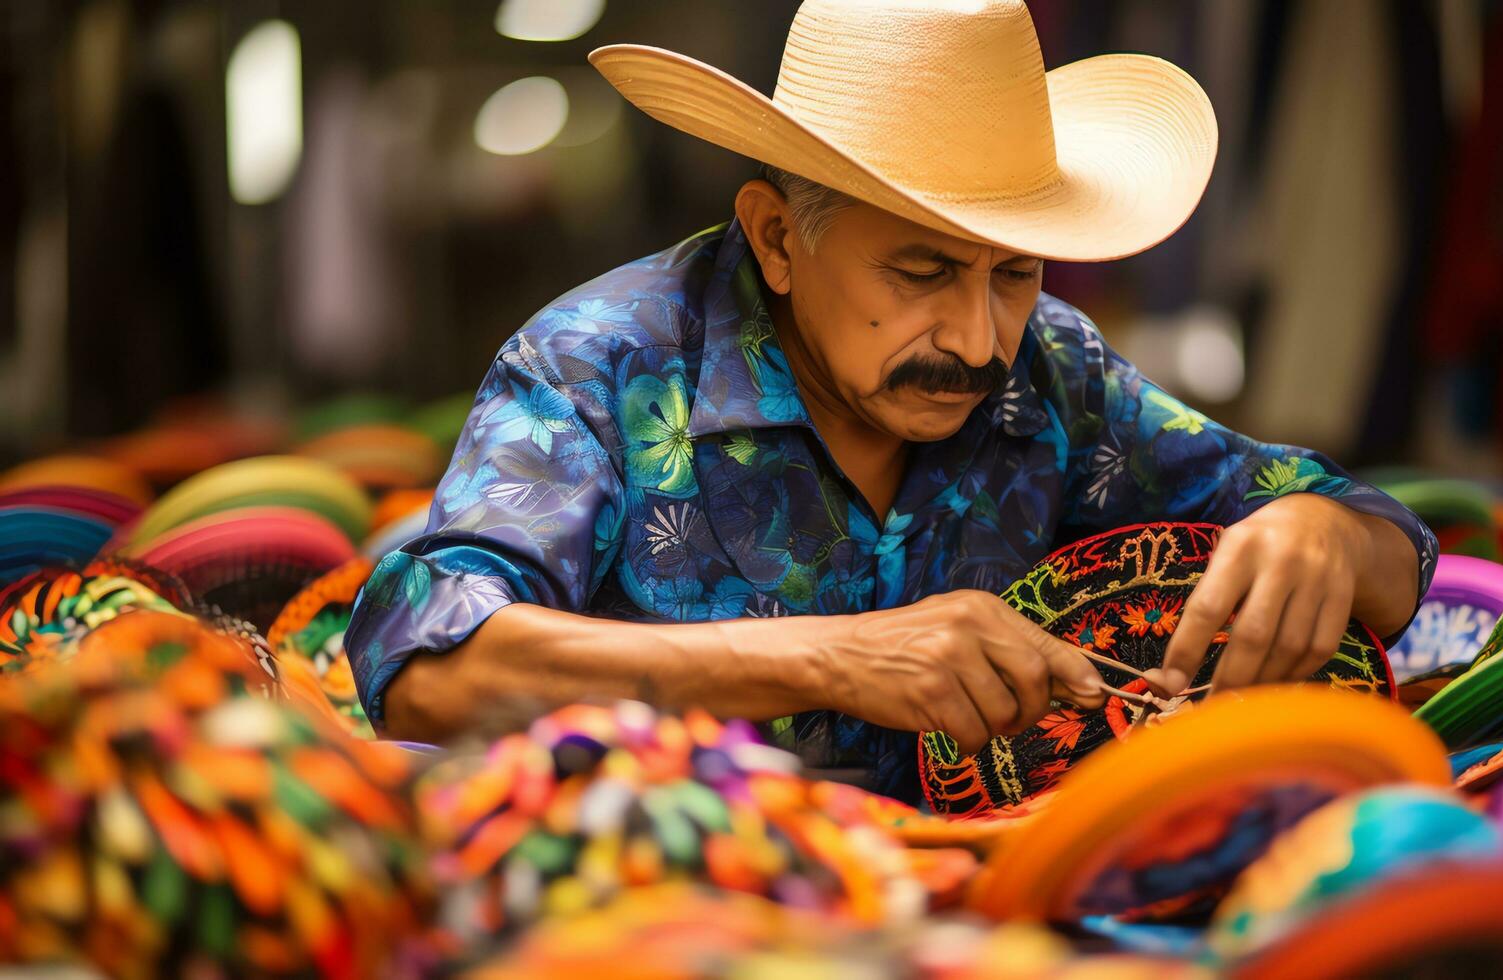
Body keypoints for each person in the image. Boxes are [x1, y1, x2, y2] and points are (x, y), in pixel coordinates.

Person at [346, 0, 1437, 801]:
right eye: (920, 272)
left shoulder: (1053, 372)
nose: (975, 337)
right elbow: (425, 665)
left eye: (1014, 273)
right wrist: (837, 655)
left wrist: (1319, 532)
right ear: (777, 236)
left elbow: (1386, 551)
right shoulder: (597, 366)